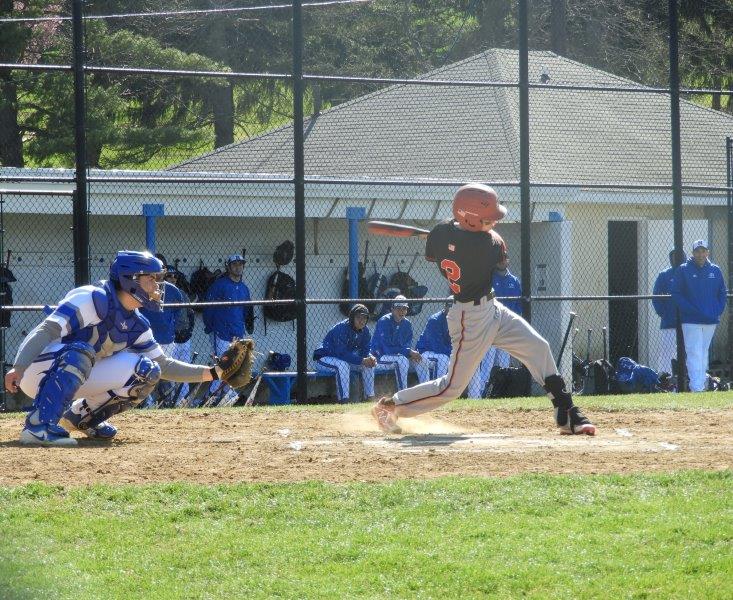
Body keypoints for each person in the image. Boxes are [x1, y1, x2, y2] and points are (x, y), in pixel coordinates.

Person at [371, 183, 596, 436]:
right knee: (451, 388)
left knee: (538, 347)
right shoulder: (490, 244)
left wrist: (449, 237)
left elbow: (441, 247)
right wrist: (462, 239)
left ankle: (566, 412)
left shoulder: (441, 233)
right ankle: (390, 407)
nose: (494, 222)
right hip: (470, 318)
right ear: (470, 219)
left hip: (492, 309)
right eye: (488, 218)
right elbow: (498, 262)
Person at [5, 251, 224, 446]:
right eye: (152, 279)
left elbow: (164, 366)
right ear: (131, 280)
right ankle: (38, 425)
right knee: (81, 350)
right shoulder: (93, 297)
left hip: (74, 370)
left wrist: (216, 373)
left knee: (147, 372)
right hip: (35, 370)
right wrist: (20, 367)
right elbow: (47, 331)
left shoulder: (137, 324)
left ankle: (81, 419)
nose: (157, 287)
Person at [670, 240, 728, 392]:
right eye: (697, 251)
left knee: (703, 352)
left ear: (707, 252)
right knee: (694, 351)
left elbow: (722, 293)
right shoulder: (684, 269)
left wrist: (718, 309)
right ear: (693, 253)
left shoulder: (715, 270)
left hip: (710, 320)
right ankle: (696, 387)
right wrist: (689, 309)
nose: (700, 254)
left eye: (703, 251)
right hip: (691, 320)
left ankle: (701, 385)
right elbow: (676, 292)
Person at [466, 255, 523, 398]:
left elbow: (518, 307)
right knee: (488, 363)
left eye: (505, 258)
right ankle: (481, 394)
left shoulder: (514, 281)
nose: (502, 261)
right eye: (500, 258)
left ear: (508, 260)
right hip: (490, 328)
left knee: (503, 364)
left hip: (506, 329)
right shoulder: (489, 279)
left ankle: (500, 394)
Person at [202, 254, 254, 404]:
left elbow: (246, 311)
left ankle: (225, 396)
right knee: (222, 365)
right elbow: (208, 308)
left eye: (241, 264)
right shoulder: (220, 285)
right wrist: (210, 326)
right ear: (229, 267)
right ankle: (213, 396)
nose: (238, 267)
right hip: (221, 332)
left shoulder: (244, 288)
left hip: (238, 332)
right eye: (235, 264)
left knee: (235, 366)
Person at [139, 266, 189, 407]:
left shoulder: (172, 289)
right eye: (155, 270)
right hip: (146, 338)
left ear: (165, 271)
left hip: (166, 338)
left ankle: (168, 401)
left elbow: (178, 313)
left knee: (165, 372)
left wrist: (171, 327)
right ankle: (145, 402)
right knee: (145, 372)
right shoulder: (142, 287)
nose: (158, 273)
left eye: (161, 269)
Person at [313, 304, 376, 402]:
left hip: (342, 360)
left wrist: (370, 358)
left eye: (364, 318)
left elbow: (365, 352)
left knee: (368, 365)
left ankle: (370, 397)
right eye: (358, 317)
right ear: (352, 318)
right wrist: (362, 360)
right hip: (324, 358)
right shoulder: (341, 328)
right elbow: (341, 353)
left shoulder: (365, 331)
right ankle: (344, 400)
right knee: (342, 365)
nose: (362, 320)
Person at [370, 295, 431, 391]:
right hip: (379, 357)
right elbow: (387, 349)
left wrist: (411, 354)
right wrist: (408, 352)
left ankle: (427, 392)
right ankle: (403, 392)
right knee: (402, 361)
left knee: (421, 360)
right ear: (392, 309)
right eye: (398, 308)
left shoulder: (407, 324)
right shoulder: (384, 321)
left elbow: (407, 346)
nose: (402, 311)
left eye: (404, 309)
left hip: (399, 356)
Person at [652, 249, 686, 376]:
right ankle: (664, 381)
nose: (676, 258)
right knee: (666, 352)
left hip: (687, 322)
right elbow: (656, 297)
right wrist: (664, 313)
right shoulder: (664, 275)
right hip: (669, 322)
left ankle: (688, 380)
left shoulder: (688, 273)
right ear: (670, 258)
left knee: (689, 352)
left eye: (679, 256)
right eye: (673, 256)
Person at [415, 300, 453, 380]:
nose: (451, 309)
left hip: (438, 352)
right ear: (445, 306)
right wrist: (453, 353)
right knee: (444, 358)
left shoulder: (454, 320)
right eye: (449, 307)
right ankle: (438, 387)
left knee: (445, 357)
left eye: (454, 307)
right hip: (424, 352)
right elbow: (437, 346)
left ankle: (441, 387)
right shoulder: (435, 320)